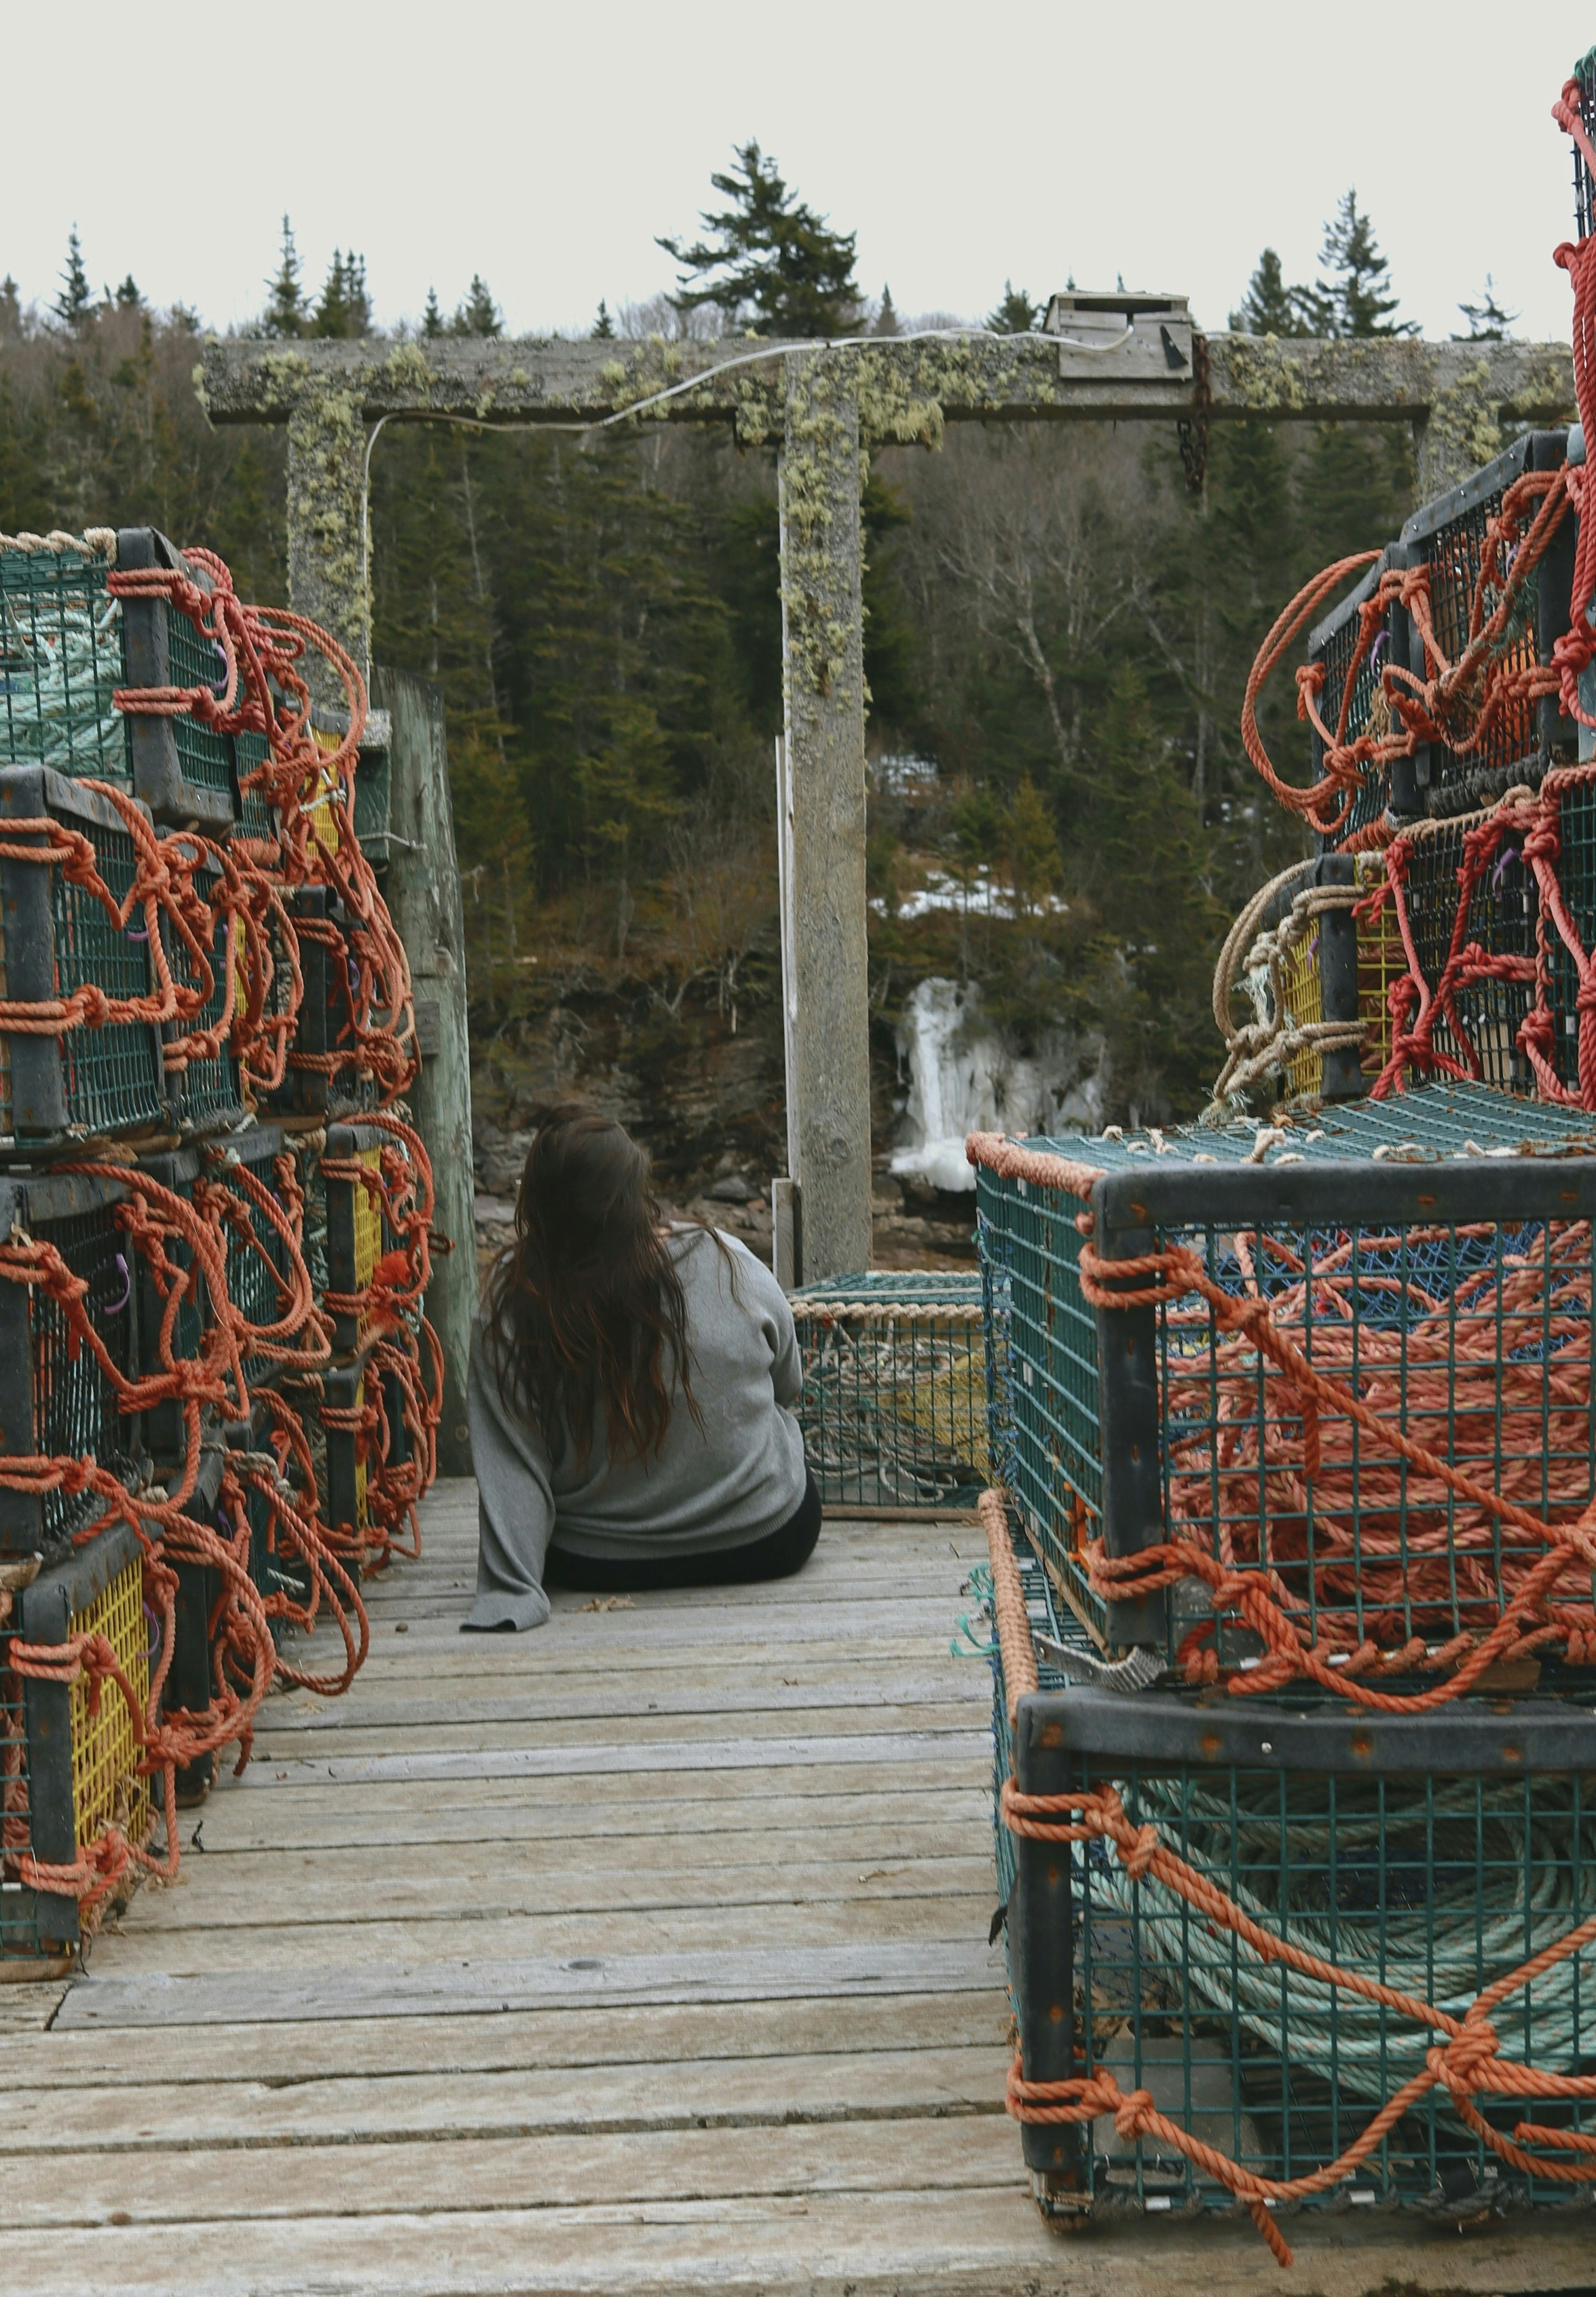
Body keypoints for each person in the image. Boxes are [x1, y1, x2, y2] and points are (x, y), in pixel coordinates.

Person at [462, 1103, 819, 1631]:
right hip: (767, 1538)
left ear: (534, 1201)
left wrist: (511, 1586)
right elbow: (788, 1384)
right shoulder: (729, 1261)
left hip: (599, 1563)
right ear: (637, 1193)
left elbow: (512, 1461)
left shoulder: (512, 1302)